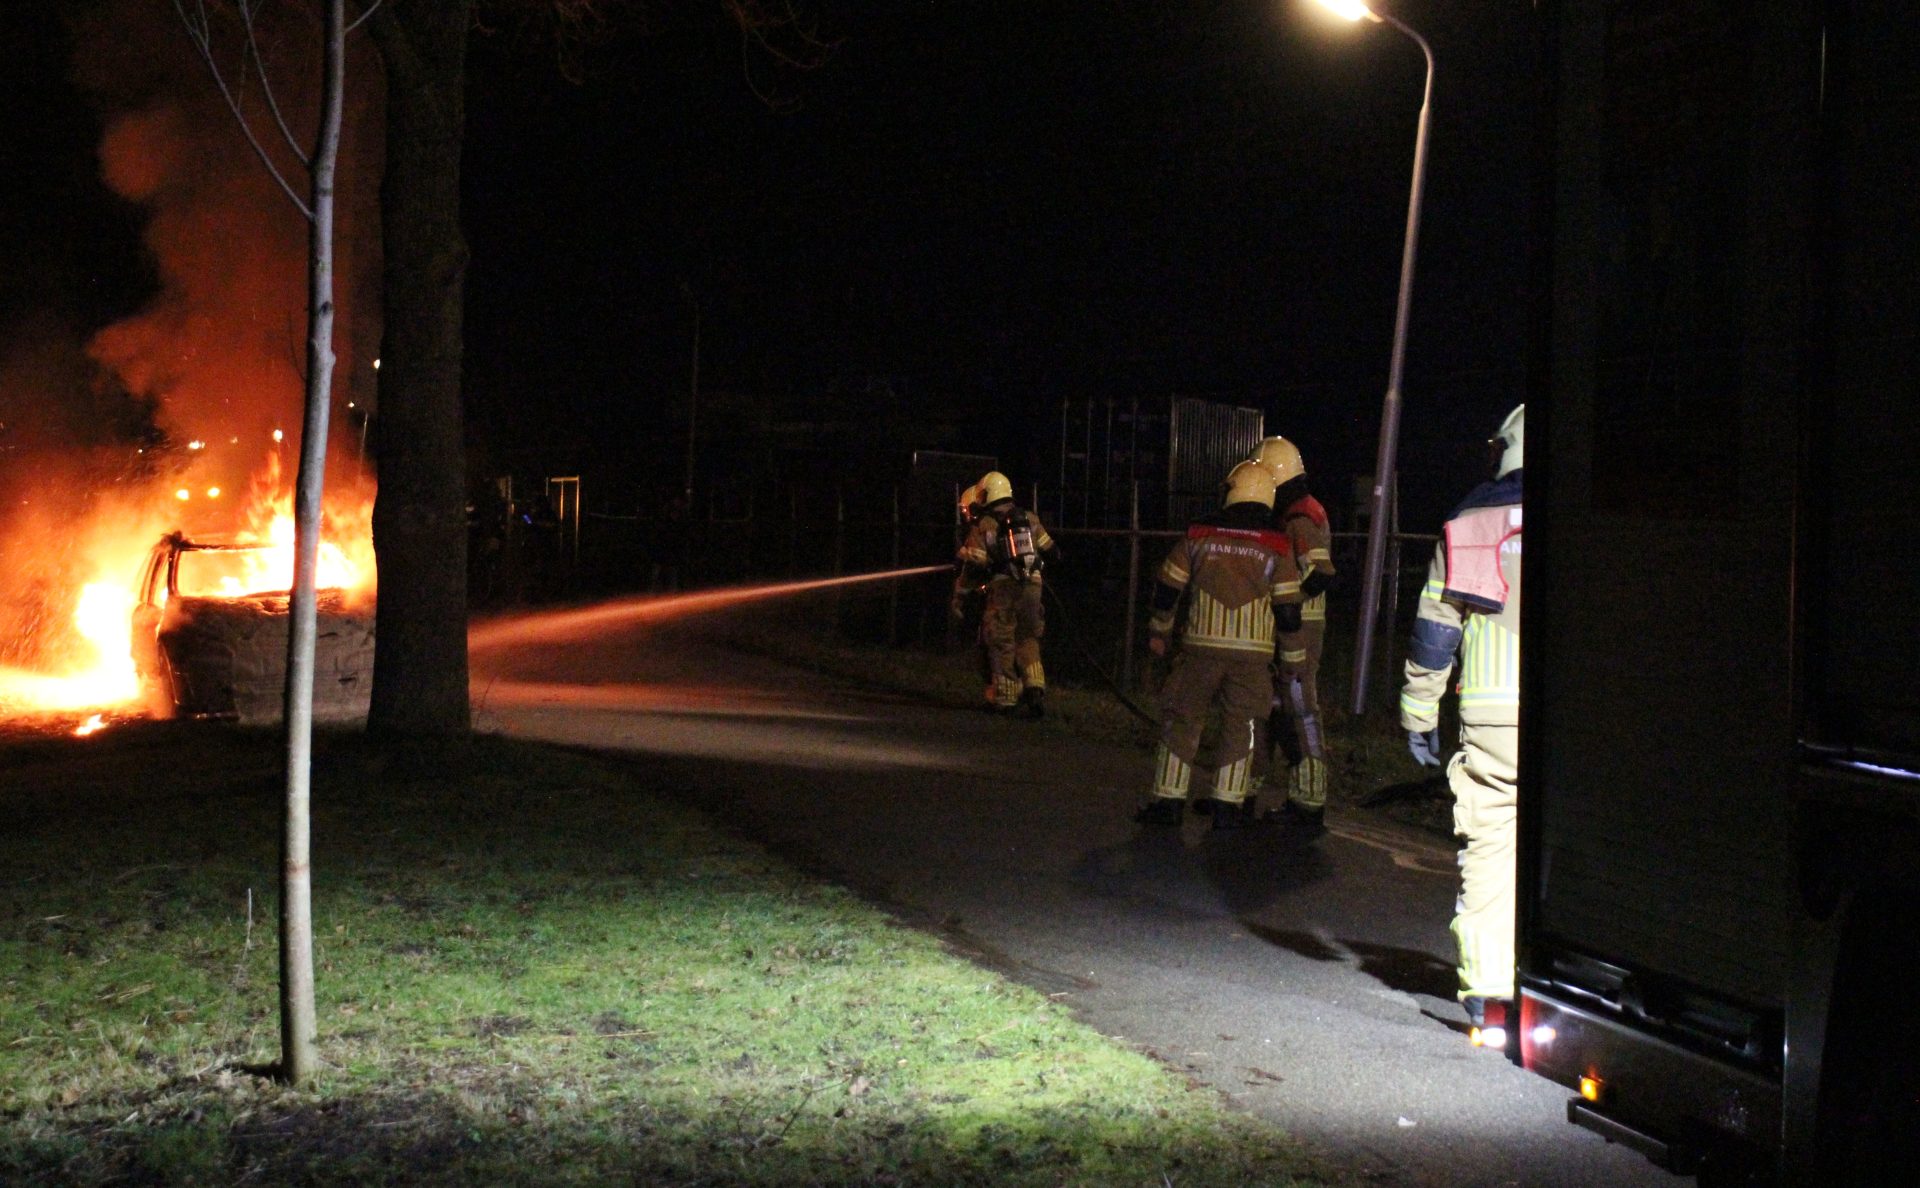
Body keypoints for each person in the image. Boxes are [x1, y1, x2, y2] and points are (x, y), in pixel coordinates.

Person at [1400, 404, 1524, 1031]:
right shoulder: (1601, 514)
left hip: (1494, 713)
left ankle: (1489, 995)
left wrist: (1419, 712)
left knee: (1491, 842)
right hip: (1584, 722)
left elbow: (1435, 626)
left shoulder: (1471, 518)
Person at [1136, 461, 1304, 830]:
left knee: (1182, 721)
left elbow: (1167, 588)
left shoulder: (1199, 535)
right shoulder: (1278, 546)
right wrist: (1293, 660)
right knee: (1240, 727)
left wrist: (1159, 632)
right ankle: (1227, 808)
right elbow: (1289, 611)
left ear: (1232, 492)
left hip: (1200, 649)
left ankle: (1168, 802)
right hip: (1253, 657)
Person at [1247, 436, 1336, 838]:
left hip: (1297, 631)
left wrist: (1287, 602)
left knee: (1300, 710)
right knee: (1278, 708)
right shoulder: (1304, 511)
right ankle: (1248, 792)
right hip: (1295, 629)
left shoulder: (1299, 518)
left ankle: (1308, 804)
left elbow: (1320, 573)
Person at [952, 471, 1059, 719]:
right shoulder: (1030, 518)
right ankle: (1035, 689)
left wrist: (961, 593)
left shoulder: (985, 525)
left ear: (987, 494)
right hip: (1034, 586)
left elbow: (973, 564)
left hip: (1004, 588)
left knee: (1001, 640)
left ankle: (1006, 698)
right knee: (1028, 637)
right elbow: (1053, 551)